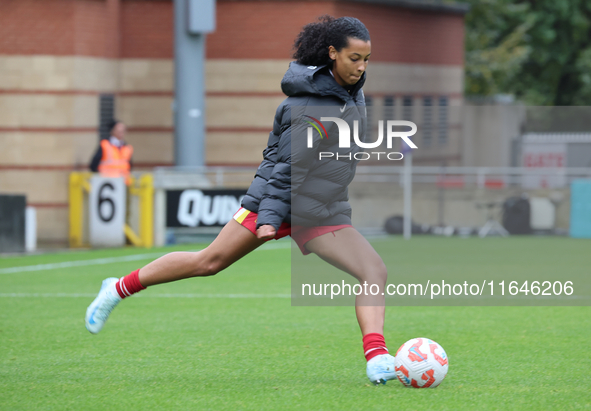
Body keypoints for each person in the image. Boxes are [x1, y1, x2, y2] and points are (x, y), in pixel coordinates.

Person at [85, 16, 396, 385]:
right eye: (354, 58)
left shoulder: (349, 92)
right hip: (278, 201)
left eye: (366, 59)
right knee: (208, 262)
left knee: (373, 270)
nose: (361, 68)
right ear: (332, 54)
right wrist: (268, 217)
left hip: (318, 210)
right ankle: (118, 288)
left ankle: (377, 359)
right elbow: (285, 169)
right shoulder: (312, 106)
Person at [89, 120, 133, 184]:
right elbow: (93, 165)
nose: (121, 133)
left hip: (123, 182)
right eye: (119, 131)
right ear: (113, 131)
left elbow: (129, 165)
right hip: (108, 182)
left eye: (123, 131)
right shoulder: (105, 145)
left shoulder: (127, 147)